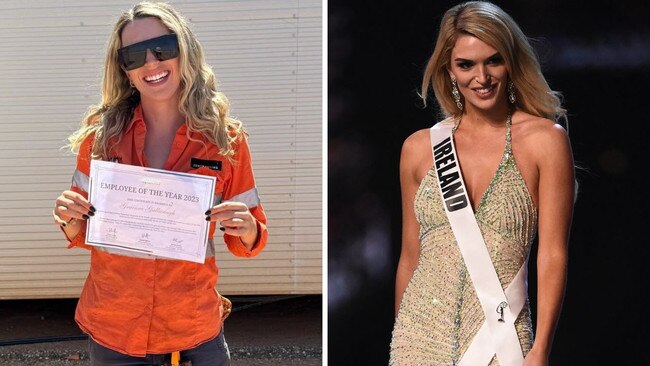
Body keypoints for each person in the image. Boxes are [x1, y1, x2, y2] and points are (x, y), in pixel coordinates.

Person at [51, 2, 268, 365]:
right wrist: (68, 216)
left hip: (193, 332)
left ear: (184, 50)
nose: (151, 62)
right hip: (115, 331)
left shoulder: (225, 139)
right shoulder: (100, 137)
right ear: (125, 69)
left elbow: (249, 240)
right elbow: (82, 229)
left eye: (163, 48)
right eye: (135, 55)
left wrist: (246, 227)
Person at [389, 1, 574, 365]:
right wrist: (400, 337)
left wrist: (541, 350)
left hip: (500, 335)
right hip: (417, 337)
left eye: (494, 60)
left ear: (511, 62)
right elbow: (410, 258)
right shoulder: (418, 148)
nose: (482, 77)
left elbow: (553, 254)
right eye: (466, 64)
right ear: (449, 69)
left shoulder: (545, 140)